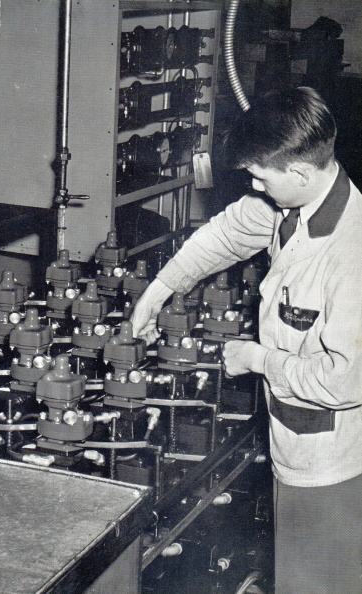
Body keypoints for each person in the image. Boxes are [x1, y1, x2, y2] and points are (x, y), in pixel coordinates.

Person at [131, 87, 362, 593]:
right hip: (292, 440)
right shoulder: (292, 207)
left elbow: (345, 380)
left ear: (299, 172)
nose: (253, 185)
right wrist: (159, 291)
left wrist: (260, 359)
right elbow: (227, 233)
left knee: (320, 584)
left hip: (329, 464)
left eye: (260, 175)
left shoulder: (351, 255)